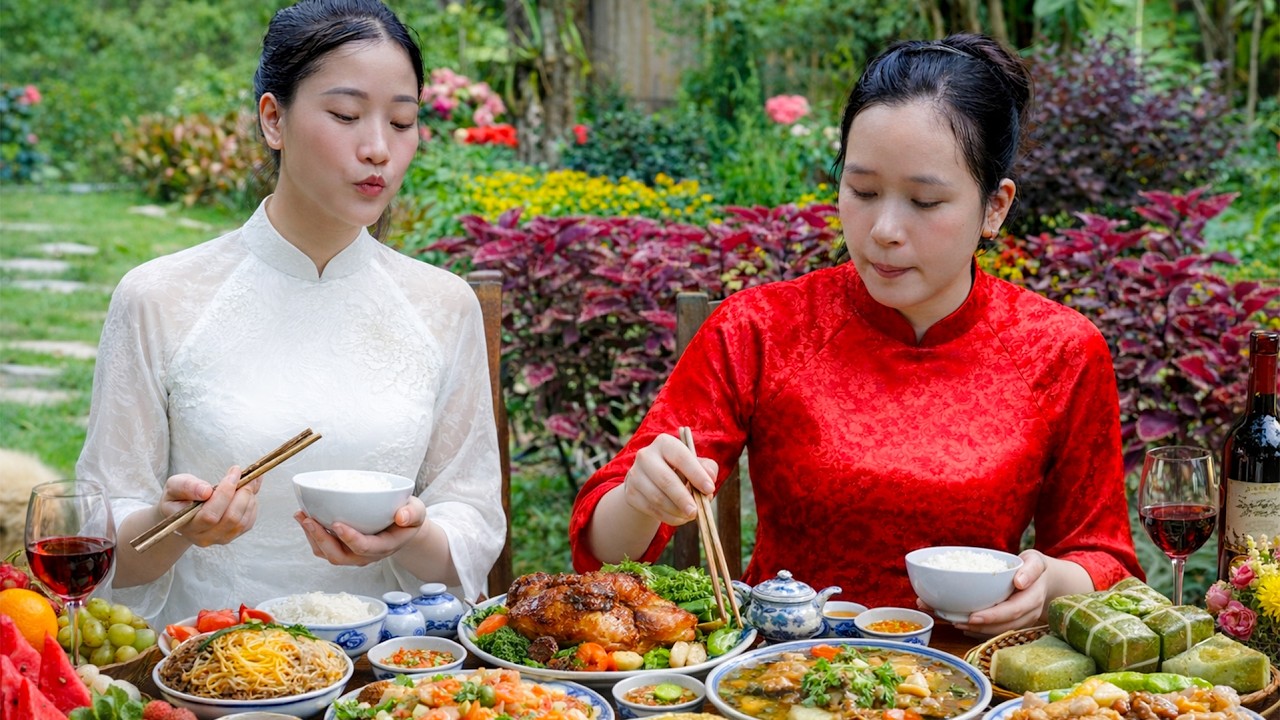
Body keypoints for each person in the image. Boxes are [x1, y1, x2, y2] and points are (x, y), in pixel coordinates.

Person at [569, 33, 1142, 636]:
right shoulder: (762, 328)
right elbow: (604, 550)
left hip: (976, 677)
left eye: (925, 201)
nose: (885, 230)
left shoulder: (1058, 348)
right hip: (783, 677)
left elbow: (1103, 559)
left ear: (994, 208)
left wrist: (1050, 584)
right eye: (863, 192)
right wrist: (640, 498)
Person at [77, 0, 505, 626]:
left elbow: (471, 522)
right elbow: (102, 537)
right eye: (346, 115)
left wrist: (409, 536)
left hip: (388, 672)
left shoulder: (443, 306)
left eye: (403, 121)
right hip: (209, 665)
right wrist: (176, 527)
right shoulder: (160, 297)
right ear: (274, 120)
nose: (379, 149)